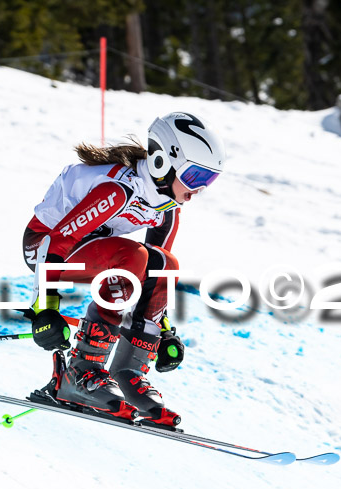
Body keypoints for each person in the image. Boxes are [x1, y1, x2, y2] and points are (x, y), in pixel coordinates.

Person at [22, 111, 226, 427]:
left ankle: (128, 373)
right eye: (195, 177)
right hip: (45, 246)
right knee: (132, 256)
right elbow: (56, 242)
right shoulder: (118, 190)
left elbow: (156, 277)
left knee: (165, 264)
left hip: (93, 249)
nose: (198, 189)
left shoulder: (166, 210)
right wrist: (45, 310)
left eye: (208, 180)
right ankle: (80, 374)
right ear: (163, 163)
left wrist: (162, 332)